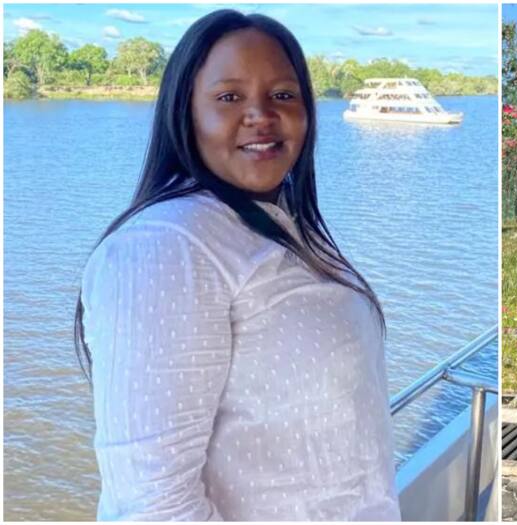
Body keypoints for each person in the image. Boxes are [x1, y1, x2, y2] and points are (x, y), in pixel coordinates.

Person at [75, 10, 400, 520]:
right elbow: (153, 505)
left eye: (283, 95)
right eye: (229, 97)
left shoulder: (276, 224)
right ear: (186, 112)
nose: (261, 115)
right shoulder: (167, 246)